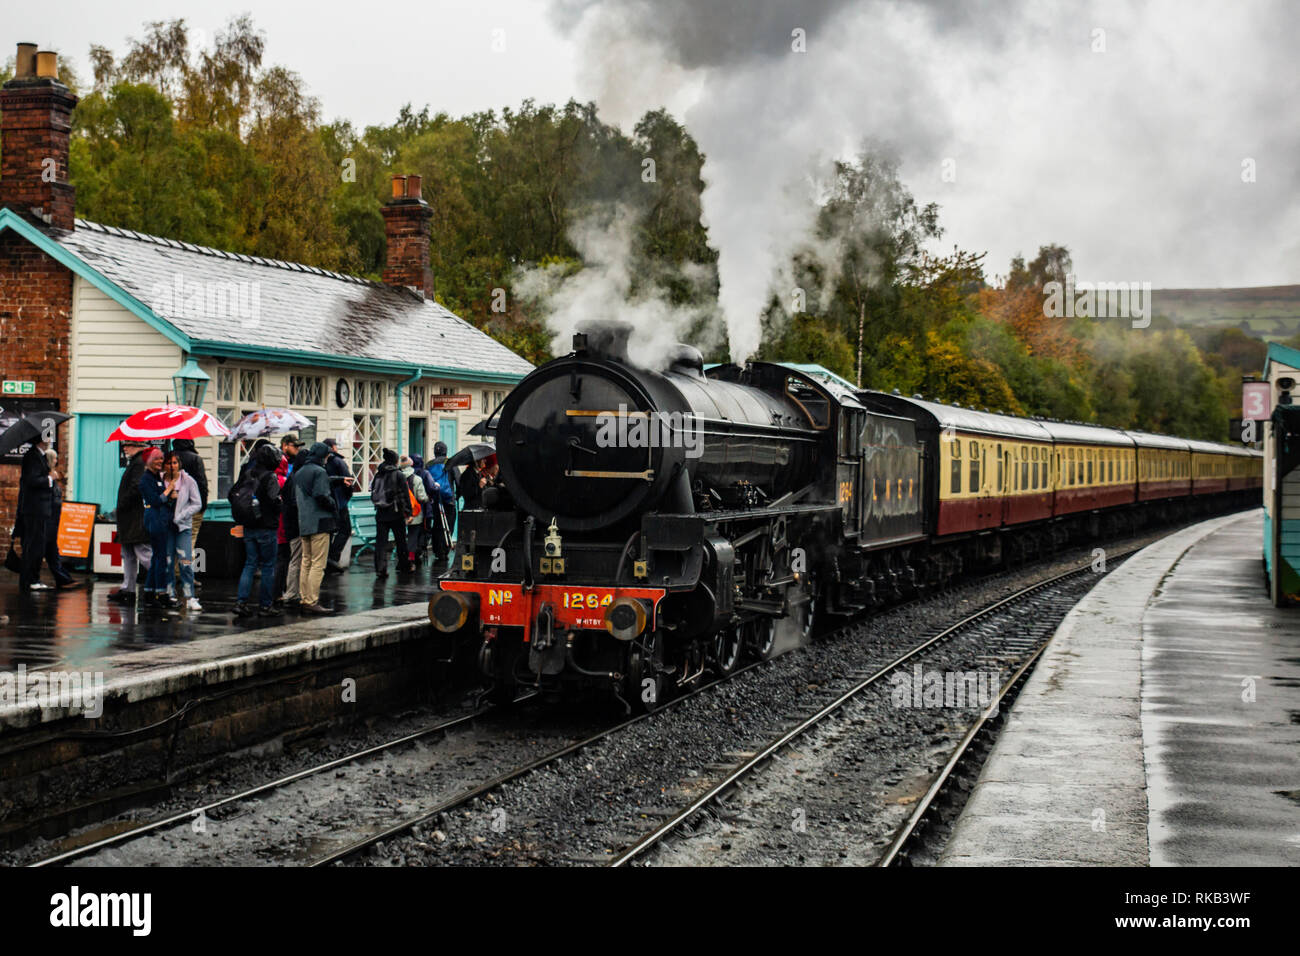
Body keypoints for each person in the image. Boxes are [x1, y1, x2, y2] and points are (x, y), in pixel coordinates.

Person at [231, 443, 282, 618]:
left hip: (248, 525)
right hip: (266, 526)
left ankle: (241, 602)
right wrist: (279, 504)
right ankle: (265, 605)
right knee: (268, 566)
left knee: (250, 564)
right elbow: (274, 501)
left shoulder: (248, 473)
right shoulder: (271, 477)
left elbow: (232, 494)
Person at [293, 442, 339, 615]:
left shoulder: (300, 472)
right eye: (327, 455)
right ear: (322, 456)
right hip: (320, 522)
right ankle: (312, 600)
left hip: (304, 522)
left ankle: (304, 598)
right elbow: (321, 495)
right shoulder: (320, 471)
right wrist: (333, 505)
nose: (327, 458)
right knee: (318, 564)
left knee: (306, 562)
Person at [109, 441, 152, 604]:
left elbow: (136, 487)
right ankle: (128, 589)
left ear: (139, 445)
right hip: (129, 517)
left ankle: (165, 585)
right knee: (128, 554)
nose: (124, 448)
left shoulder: (139, 462)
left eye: (128, 444)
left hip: (134, 517)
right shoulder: (136, 462)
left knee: (144, 553)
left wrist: (122, 504)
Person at [139, 448, 179, 609]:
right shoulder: (145, 480)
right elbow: (155, 501)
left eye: (161, 459)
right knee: (160, 557)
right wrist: (169, 490)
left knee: (157, 557)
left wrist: (170, 495)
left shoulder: (157, 477)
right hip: (154, 519)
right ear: (149, 461)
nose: (160, 462)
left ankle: (150, 593)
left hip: (161, 518)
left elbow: (163, 498)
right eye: (156, 459)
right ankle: (161, 594)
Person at [164, 449, 203, 612]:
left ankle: (190, 596)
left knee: (185, 561)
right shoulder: (160, 480)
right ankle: (170, 593)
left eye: (175, 463)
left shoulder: (188, 481)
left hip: (182, 527)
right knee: (168, 561)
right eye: (169, 463)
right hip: (166, 527)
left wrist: (182, 515)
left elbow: (197, 503)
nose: (172, 466)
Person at [15, 437, 54, 592]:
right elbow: (32, 480)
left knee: (37, 545)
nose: (50, 440)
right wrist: (50, 478)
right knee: (33, 546)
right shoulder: (32, 457)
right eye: (47, 437)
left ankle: (32, 579)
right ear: (41, 440)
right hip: (34, 509)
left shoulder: (39, 456)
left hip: (38, 509)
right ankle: (30, 580)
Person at [171, 438, 208, 595]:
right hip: (192, 507)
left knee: (173, 540)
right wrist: (202, 505)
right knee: (189, 541)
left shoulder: (169, 457)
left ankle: (173, 573)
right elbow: (202, 484)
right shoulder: (195, 459)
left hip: (173, 507)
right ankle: (186, 575)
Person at [274, 437, 306, 609]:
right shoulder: (282, 479)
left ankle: (279, 592)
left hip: (280, 523)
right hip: (284, 524)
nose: (297, 450)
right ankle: (280, 592)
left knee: (281, 559)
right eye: (295, 446)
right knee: (285, 559)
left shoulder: (285, 477)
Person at [372, 447, 411, 577]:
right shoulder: (399, 475)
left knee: (381, 542)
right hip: (396, 512)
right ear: (395, 461)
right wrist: (408, 512)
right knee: (401, 541)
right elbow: (405, 495)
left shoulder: (378, 474)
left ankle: (380, 568)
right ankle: (404, 565)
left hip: (381, 512)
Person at [40, 449, 77, 589]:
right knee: (48, 549)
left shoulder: (52, 476)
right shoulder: (46, 476)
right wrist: (51, 479)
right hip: (48, 519)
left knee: (52, 550)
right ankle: (60, 578)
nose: (56, 461)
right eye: (54, 458)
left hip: (54, 519)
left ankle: (63, 578)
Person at [323, 438, 355, 571]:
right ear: (332, 447)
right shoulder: (338, 461)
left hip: (326, 501)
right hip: (340, 501)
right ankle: (332, 559)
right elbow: (348, 481)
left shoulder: (321, 462)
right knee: (345, 529)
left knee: (329, 532)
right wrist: (347, 497)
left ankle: (326, 559)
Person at [427, 442, 457, 563]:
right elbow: (458, 480)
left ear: (435, 452)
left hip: (434, 499)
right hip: (448, 499)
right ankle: (444, 549)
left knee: (437, 524)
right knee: (449, 524)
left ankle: (437, 549)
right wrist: (458, 495)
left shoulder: (429, 464)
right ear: (446, 451)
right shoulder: (451, 463)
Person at [400, 454, 429, 565]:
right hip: (414, 513)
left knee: (400, 536)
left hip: (400, 512)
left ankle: (402, 557)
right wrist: (428, 499)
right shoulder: (417, 479)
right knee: (413, 536)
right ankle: (411, 558)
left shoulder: (397, 478)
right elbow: (422, 497)